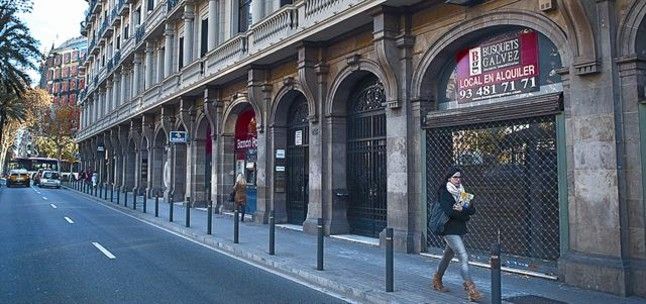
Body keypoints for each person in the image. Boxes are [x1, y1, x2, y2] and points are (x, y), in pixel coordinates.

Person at [432, 167, 481, 302]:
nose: (458, 180)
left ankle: (437, 279)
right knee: (463, 256)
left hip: (459, 229)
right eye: (455, 177)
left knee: (447, 255)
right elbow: (449, 211)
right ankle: (471, 289)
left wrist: (463, 212)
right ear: (449, 178)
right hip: (448, 230)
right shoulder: (444, 192)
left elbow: (472, 211)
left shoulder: (462, 192)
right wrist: (463, 213)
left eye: (459, 177)